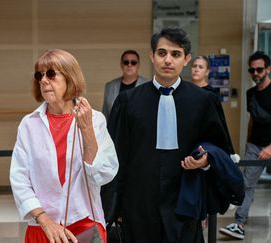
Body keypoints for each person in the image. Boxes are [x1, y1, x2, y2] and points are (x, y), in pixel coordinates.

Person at [108, 28, 232, 242]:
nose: (168, 60)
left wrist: (205, 161)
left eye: (175, 54)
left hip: (185, 202)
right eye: (162, 53)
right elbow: (116, 156)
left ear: (186, 59)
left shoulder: (203, 101)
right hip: (138, 204)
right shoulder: (128, 102)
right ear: (152, 56)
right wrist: (114, 207)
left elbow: (219, 149)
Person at [9, 49, 118, 243]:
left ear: (70, 77)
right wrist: (44, 220)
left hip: (85, 222)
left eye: (51, 74)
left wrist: (87, 131)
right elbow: (19, 179)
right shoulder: (29, 124)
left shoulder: (95, 119)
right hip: (42, 226)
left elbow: (104, 174)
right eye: (39, 75)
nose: (43, 80)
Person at [219, 51, 271, 240]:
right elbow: (252, 120)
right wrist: (249, 142)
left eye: (259, 69)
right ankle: (239, 224)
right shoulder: (250, 94)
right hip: (255, 146)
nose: (255, 73)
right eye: (252, 70)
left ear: (268, 69)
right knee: (247, 184)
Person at [191, 56, 236, 155]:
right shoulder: (186, 91)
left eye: (200, 67)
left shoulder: (211, 94)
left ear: (207, 72)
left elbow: (220, 122)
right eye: (194, 66)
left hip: (205, 141)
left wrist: (229, 150)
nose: (196, 69)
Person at [101, 49, 147, 120]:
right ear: (121, 65)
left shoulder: (147, 86)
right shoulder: (110, 86)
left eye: (133, 62)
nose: (129, 65)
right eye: (126, 62)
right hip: (115, 129)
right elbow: (106, 113)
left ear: (138, 65)